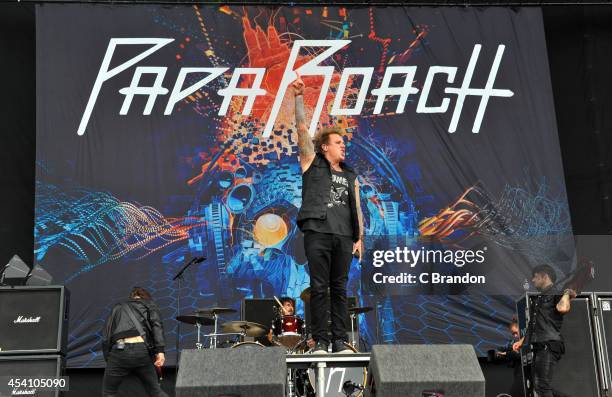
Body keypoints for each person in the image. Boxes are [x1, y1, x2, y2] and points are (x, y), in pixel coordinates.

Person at [291, 78, 364, 354]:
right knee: (320, 288)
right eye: (337, 142)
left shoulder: (350, 174)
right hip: (318, 233)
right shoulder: (312, 162)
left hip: (344, 236)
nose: (342, 146)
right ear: (324, 147)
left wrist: (360, 239)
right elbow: (301, 129)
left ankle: (338, 340)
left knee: (340, 289)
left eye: (343, 142)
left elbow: (355, 207)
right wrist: (299, 98)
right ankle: (321, 341)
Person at [513, 265, 575, 397]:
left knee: (542, 384)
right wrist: (521, 341)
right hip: (540, 345)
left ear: (544, 276)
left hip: (549, 344)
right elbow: (533, 324)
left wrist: (566, 294)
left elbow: (563, 309)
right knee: (538, 385)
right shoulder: (540, 298)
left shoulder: (557, 293)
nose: (533, 280)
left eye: (535, 277)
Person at [101, 287, 168, 397]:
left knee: (109, 393)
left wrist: (108, 358)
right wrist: (160, 351)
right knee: (155, 392)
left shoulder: (118, 307)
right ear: (145, 297)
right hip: (142, 350)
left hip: (119, 351)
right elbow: (157, 327)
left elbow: (106, 335)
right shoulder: (149, 304)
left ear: (131, 297)